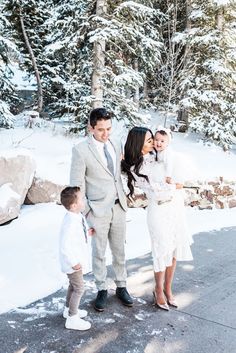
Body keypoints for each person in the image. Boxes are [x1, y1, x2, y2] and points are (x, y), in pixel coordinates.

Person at [122, 127, 193, 311]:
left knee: (175, 248)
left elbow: (178, 172)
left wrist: (177, 183)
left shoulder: (161, 155)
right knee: (162, 250)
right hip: (158, 210)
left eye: (153, 139)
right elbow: (157, 189)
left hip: (175, 207)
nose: (154, 142)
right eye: (149, 140)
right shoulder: (135, 166)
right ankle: (158, 290)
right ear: (139, 143)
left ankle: (168, 289)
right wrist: (174, 185)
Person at [70, 107, 133, 312]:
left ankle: (121, 286)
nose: (106, 134)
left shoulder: (115, 143)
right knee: (99, 252)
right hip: (97, 210)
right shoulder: (81, 150)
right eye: (101, 130)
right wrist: (87, 211)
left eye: (109, 128)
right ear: (91, 128)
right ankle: (101, 288)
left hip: (119, 207)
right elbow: (76, 185)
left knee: (119, 250)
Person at [59, 186, 92, 330]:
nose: (84, 199)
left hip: (76, 260)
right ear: (73, 205)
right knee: (79, 288)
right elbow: (65, 245)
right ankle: (72, 318)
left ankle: (68, 310)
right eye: (81, 198)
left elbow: (78, 234)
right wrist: (73, 262)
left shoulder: (76, 216)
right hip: (73, 262)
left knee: (73, 286)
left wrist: (87, 233)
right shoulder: (70, 222)